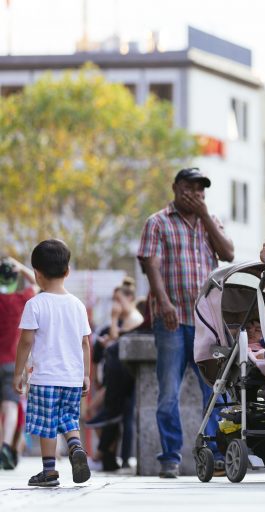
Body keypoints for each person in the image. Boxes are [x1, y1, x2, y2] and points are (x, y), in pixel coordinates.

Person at [137, 167, 235, 478]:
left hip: (207, 321)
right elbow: (150, 264)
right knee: (168, 391)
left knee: (215, 389)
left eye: (200, 189)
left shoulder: (209, 220)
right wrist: (163, 302)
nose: (195, 193)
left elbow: (229, 253)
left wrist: (205, 215)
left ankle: (218, 454)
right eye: (190, 187)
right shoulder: (157, 222)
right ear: (176, 187)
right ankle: (170, 457)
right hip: (172, 319)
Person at [13, 240, 92, 487]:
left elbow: (25, 342)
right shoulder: (77, 305)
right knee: (69, 419)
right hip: (71, 378)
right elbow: (85, 344)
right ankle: (76, 446)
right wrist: (86, 375)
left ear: (36, 273)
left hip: (45, 378)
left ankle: (49, 472)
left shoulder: (35, 304)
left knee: (47, 426)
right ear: (67, 271)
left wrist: (19, 374)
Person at [86, 278, 145, 471]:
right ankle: (105, 454)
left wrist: (113, 321)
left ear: (129, 298)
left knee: (116, 417)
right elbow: (113, 340)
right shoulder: (121, 319)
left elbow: (117, 342)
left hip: (124, 379)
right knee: (110, 417)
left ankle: (105, 453)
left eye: (118, 299)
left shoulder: (135, 318)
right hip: (114, 379)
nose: (116, 305)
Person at [0, 256, 36, 469]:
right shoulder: (21, 300)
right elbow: (35, 283)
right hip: (11, 362)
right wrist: (21, 267)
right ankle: (6, 446)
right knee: (11, 406)